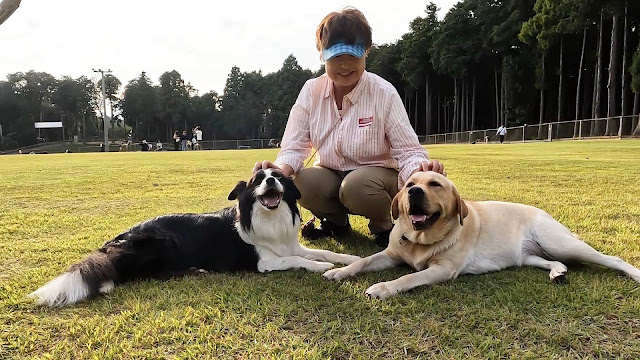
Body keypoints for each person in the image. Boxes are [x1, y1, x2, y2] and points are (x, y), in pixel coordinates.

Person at [253, 7, 444, 248]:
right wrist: (280, 170)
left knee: (355, 185)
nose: (344, 65)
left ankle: (385, 226)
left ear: (367, 51)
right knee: (301, 181)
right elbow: (295, 145)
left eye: (353, 55)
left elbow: (408, 151)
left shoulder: (383, 93)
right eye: (335, 57)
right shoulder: (311, 91)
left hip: (375, 177)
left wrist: (423, 171)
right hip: (331, 172)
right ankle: (335, 222)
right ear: (322, 55)